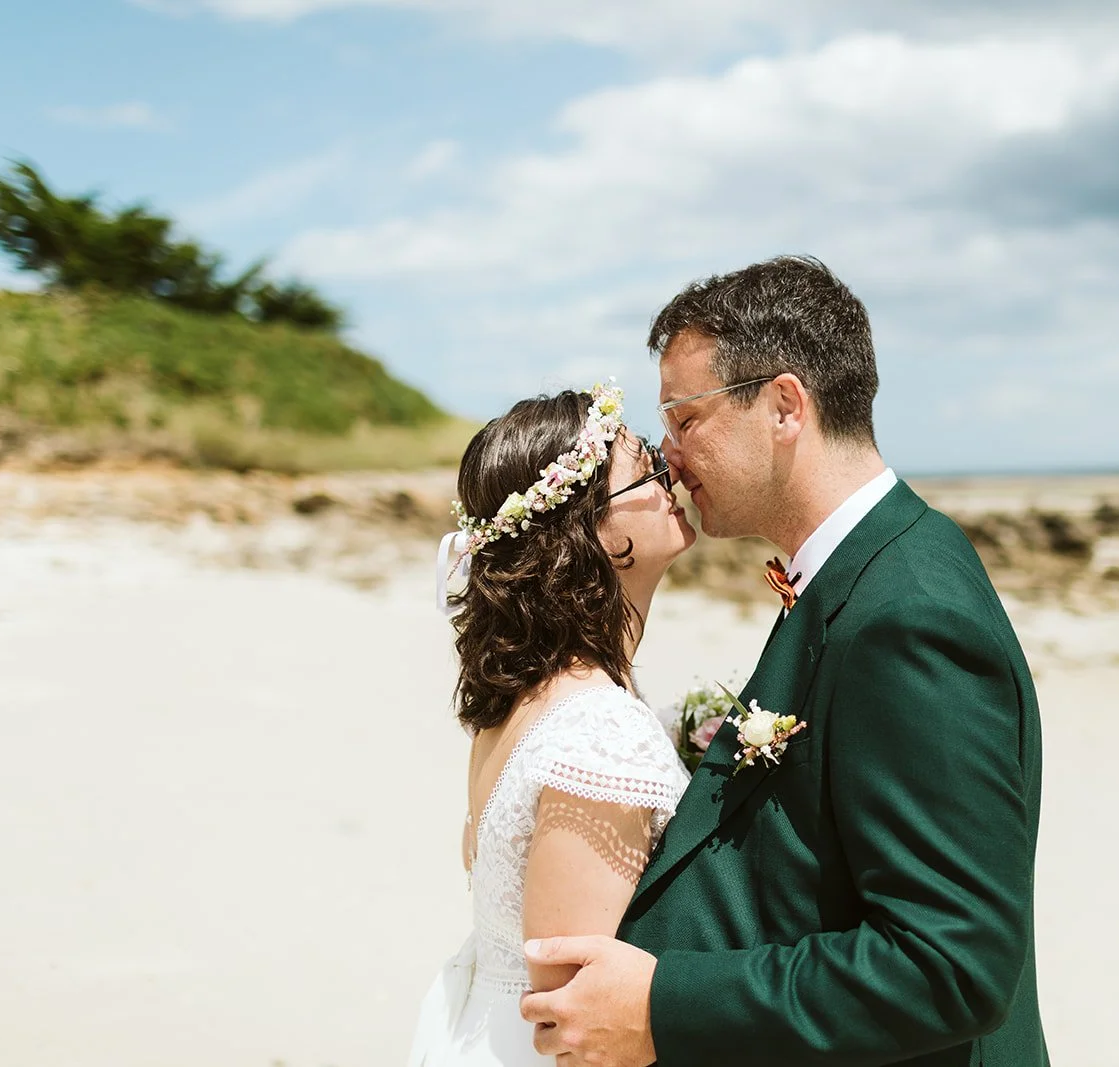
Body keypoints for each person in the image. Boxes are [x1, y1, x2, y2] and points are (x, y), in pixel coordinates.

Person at [519, 257, 1050, 1066]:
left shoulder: (910, 615)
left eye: (684, 417)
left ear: (783, 405)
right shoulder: (860, 575)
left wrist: (665, 1005)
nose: (667, 452)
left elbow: (953, 965)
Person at [408, 383, 695, 1067]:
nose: (672, 474)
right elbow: (572, 1012)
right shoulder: (597, 730)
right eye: (648, 467)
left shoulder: (524, 695)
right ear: (592, 529)